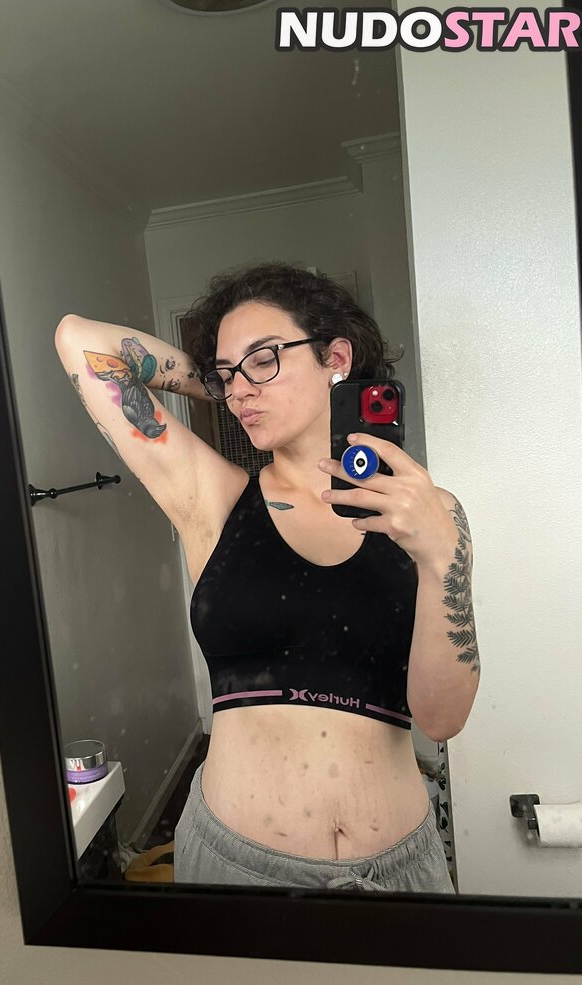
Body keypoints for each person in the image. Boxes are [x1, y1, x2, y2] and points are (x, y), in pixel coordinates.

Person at [54, 261, 479, 893]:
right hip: (236, 870)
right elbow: (80, 341)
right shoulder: (216, 499)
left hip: (399, 874)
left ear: (336, 357)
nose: (240, 392)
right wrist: (221, 382)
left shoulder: (431, 514)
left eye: (264, 359)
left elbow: (442, 719)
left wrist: (440, 556)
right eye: (228, 373)